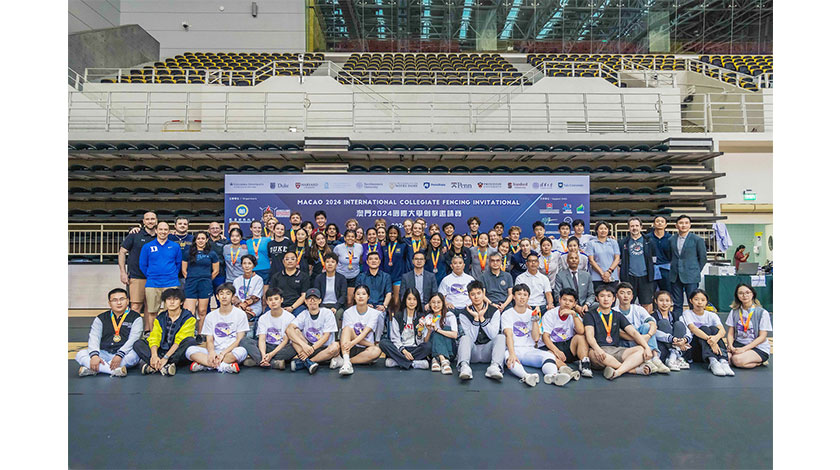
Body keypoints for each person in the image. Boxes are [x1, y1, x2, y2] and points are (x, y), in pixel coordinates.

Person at [501, 284, 572, 387]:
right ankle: (526, 376)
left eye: (525, 295)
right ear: (513, 296)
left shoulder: (532, 313)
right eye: (519, 294)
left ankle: (553, 376)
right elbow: (509, 335)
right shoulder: (507, 314)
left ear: (528, 297)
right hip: (514, 348)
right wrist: (512, 353)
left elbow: (536, 338)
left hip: (530, 350)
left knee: (549, 356)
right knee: (509, 357)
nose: (522, 297)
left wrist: (535, 320)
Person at [583, 285, 655, 380]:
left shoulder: (617, 315)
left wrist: (647, 347)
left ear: (613, 299)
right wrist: (598, 349)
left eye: (609, 296)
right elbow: (590, 336)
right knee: (592, 354)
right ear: (597, 298)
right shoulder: (590, 315)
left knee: (641, 350)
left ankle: (618, 371)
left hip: (616, 350)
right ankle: (631, 370)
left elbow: (633, 333)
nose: (606, 299)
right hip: (599, 350)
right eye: (602, 296)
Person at [76, 288, 143, 377]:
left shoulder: (136, 317)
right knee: (80, 354)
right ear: (109, 303)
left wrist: (120, 355)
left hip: (125, 355)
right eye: (114, 300)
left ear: (127, 301)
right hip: (104, 353)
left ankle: (96, 369)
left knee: (135, 354)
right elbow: (94, 337)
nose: (119, 303)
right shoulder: (101, 318)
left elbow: (133, 339)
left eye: (122, 299)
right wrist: (95, 356)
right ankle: (113, 370)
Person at [185, 282, 249, 374]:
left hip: (231, 351)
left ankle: (206, 365)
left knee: (242, 351)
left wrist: (223, 353)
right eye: (221, 294)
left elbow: (239, 340)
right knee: (190, 351)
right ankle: (224, 366)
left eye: (228, 294)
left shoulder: (240, 314)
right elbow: (209, 339)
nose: (224, 297)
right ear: (217, 297)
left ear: (233, 297)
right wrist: (211, 353)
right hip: (215, 350)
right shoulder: (210, 316)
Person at [132, 288, 198, 376]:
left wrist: (166, 358)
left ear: (181, 302)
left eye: (176, 299)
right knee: (138, 344)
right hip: (161, 351)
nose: (172, 302)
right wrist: (154, 355)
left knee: (190, 341)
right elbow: (155, 337)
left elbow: (179, 340)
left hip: (177, 353)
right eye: (169, 299)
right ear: (165, 301)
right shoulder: (160, 317)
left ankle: (155, 367)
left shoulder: (189, 318)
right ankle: (161, 365)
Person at [614, 282, 670, 374]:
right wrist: (639, 338)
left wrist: (648, 335)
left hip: (644, 340)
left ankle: (655, 358)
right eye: (622, 293)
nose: (625, 296)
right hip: (626, 342)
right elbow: (620, 333)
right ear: (616, 296)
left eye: (628, 293)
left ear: (632, 296)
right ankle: (649, 360)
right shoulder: (614, 311)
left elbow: (653, 324)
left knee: (647, 326)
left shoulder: (638, 309)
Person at [456, 281, 506, 380]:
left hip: (488, 351)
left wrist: (482, 318)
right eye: (473, 294)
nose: (476, 297)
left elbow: (493, 335)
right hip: (472, 352)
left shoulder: (494, 311)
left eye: (479, 293)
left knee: (501, 337)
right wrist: (475, 319)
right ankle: (464, 367)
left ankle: (494, 367)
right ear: (469, 296)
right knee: (464, 338)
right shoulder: (464, 313)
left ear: (483, 293)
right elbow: (471, 338)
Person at [139, 221, 183, 333]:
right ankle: (154, 335)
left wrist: (171, 274)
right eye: (161, 229)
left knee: (171, 311)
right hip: (153, 283)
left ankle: (168, 335)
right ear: (156, 230)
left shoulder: (175, 246)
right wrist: (152, 275)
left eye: (165, 230)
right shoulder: (147, 246)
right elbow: (143, 264)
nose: (163, 232)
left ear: (169, 231)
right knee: (152, 311)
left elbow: (178, 263)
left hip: (171, 283)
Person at [681, 289, 734, 376]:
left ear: (706, 302)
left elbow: (722, 331)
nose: (699, 302)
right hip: (695, 348)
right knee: (704, 328)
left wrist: (714, 339)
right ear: (691, 301)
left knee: (714, 329)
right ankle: (713, 361)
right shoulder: (687, 313)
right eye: (696, 299)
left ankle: (723, 361)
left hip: (710, 347)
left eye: (703, 300)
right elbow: (693, 329)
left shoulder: (712, 315)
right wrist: (712, 342)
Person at [241, 287, 297, 370]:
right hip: (267, 346)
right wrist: (263, 354)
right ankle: (272, 362)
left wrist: (271, 354)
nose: (273, 302)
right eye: (270, 300)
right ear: (267, 302)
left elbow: (285, 341)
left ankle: (257, 361)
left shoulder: (289, 317)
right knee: (244, 341)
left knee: (294, 347)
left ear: (281, 300)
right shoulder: (263, 318)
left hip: (281, 348)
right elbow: (262, 339)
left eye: (276, 299)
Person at [287, 288, 341, 372]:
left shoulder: (327, 313)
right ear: (305, 301)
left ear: (320, 301)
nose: (312, 301)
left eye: (315, 298)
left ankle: (307, 362)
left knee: (335, 346)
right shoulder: (303, 314)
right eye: (309, 298)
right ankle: (307, 362)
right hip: (307, 346)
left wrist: (312, 348)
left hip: (323, 348)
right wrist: (304, 345)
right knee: (295, 332)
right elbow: (289, 329)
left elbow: (326, 336)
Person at [539, 288, 589, 378]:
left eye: (570, 301)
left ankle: (585, 365)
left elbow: (581, 331)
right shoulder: (550, 314)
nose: (567, 303)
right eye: (564, 299)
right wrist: (556, 351)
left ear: (574, 304)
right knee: (549, 355)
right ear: (559, 300)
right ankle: (568, 371)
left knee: (580, 337)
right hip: (552, 345)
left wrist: (574, 315)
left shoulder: (574, 315)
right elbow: (545, 337)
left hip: (566, 345)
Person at [335, 285, 383, 375]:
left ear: (368, 297)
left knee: (377, 351)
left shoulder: (375, 313)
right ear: (354, 297)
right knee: (347, 329)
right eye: (358, 294)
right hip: (350, 348)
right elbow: (347, 334)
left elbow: (365, 333)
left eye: (364, 294)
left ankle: (345, 362)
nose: (361, 296)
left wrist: (369, 345)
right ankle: (346, 362)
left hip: (365, 349)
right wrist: (352, 344)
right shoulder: (348, 312)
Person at [380, 288, 432, 370]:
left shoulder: (421, 317)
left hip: (414, 348)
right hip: (400, 348)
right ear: (405, 300)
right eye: (409, 299)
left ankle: (397, 362)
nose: (412, 302)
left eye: (414, 299)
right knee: (383, 343)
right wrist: (403, 351)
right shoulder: (398, 316)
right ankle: (413, 363)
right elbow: (395, 338)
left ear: (418, 301)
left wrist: (419, 333)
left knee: (428, 346)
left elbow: (420, 342)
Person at [118, 211, 157, 316]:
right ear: (143, 221)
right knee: (135, 306)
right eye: (147, 219)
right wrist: (123, 272)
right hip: (137, 276)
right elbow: (122, 252)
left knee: (151, 307)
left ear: (156, 221)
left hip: (154, 277)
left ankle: (149, 327)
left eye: (152, 219)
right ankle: (134, 327)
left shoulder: (161, 236)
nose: (150, 221)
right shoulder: (135, 234)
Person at [181, 231, 220, 333]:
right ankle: (188, 334)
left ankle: (201, 333)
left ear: (207, 240)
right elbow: (184, 270)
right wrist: (191, 279)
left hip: (205, 284)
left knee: (202, 311)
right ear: (195, 240)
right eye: (198, 238)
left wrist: (207, 279)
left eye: (203, 238)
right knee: (189, 312)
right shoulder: (188, 253)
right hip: (191, 284)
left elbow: (216, 271)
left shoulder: (212, 254)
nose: (200, 241)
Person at [725, 283, 772, 369]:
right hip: (739, 344)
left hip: (757, 347)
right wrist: (730, 346)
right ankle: (745, 358)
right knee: (726, 358)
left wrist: (744, 349)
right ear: (737, 295)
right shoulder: (734, 311)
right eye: (741, 293)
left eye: (747, 292)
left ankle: (759, 362)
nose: (744, 295)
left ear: (752, 294)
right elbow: (730, 333)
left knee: (736, 360)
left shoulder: (762, 313)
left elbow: (762, 337)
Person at [669, 215, 707, 309]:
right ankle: (677, 318)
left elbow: (703, 258)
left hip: (691, 275)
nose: (684, 225)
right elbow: (670, 256)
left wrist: (695, 270)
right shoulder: (671, 239)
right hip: (675, 275)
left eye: (686, 223)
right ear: (676, 225)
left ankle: (693, 318)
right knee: (677, 303)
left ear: (690, 225)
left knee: (693, 302)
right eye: (681, 223)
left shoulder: (697, 239)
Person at [619, 217, 657, 312]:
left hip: (646, 277)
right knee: (627, 302)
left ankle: (646, 320)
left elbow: (654, 258)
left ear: (641, 227)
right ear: (629, 228)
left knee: (646, 303)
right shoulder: (623, 242)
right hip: (629, 277)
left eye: (636, 225)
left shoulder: (649, 241)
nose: (634, 228)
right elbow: (620, 260)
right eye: (632, 226)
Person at [650, 290, 691, 371]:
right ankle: (674, 357)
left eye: (667, 301)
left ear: (671, 302)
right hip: (662, 344)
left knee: (679, 324)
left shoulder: (676, 315)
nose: (664, 303)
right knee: (663, 323)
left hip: (678, 345)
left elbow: (686, 329)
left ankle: (672, 357)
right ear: (656, 301)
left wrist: (684, 340)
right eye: (661, 300)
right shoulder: (652, 317)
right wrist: (672, 339)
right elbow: (654, 332)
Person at [355, 251, 392, 341]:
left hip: (380, 307)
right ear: (367, 262)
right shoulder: (361, 276)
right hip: (365, 307)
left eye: (376, 259)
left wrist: (384, 306)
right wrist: (365, 305)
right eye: (371, 259)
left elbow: (388, 293)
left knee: (379, 315)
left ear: (379, 261)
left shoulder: (386, 276)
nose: (373, 261)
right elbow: (357, 294)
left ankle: (377, 341)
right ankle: (364, 341)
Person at [420, 293, 458, 374]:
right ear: (429, 304)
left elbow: (455, 335)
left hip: (450, 351)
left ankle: (436, 359)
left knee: (445, 329)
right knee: (433, 333)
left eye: (439, 302)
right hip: (433, 351)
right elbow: (425, 342)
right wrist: (429, 330)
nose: (436, 305)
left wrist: (437, 330)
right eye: (433, 302)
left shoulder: (449, 316)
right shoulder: (428, 317)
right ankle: (443, 360)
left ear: (443, 303)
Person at [313, 252, 347, 337]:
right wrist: (321, 306)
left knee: (338, 314)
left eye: (333, 262)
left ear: (336, 264)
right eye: (327, 262)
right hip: (322, 305)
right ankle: (320, 337)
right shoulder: (319, 278)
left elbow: (343, 296)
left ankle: (335, 338)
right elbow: (316, 294)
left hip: (337, 305)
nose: (330, 264)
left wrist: (335, 307)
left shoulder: (341, 278)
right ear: (324, 264)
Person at [553, 251, 595, 316]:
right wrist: (575, 306)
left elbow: (591, 294)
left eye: (576, 258)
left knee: (597, 305)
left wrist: (586, 304)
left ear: (579, 260)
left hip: (584, 305)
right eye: (571, 258)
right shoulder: (560, 275)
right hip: (567, 304)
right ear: (567, 261)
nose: (574, 260)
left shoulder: (586, 275)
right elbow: (557, 295)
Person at [269, 251, 310, 316]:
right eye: (287, 259)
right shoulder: (276, 276)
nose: (290, 261)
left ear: (297, 261)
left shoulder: (304, 276)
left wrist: (292, 307)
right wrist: (279, 307)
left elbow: (304, 296)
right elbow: (271, 294)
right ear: (283, 261)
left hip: (297, 306)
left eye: (292, 259)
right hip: (279, 305)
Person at [587, 221, 620, 292]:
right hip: (597, 278)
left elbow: (617, 258)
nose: (603, 230)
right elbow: (591, 260)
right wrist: (602, 274)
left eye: (605, 228)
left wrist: (609, 272)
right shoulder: (591, 243)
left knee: (612, 297)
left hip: (612, 277)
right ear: (597, 230)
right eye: (601, 228)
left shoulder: (613, 242)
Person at [231, 255, 264, 326]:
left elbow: (255, 298)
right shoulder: (237, 280)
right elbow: (234, 297)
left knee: (242, 316)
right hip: (239, 306)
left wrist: (245, 305)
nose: (246, 266)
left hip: (254, 307)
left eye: (249, 263)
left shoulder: (258, 279)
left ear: (254, 265)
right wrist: (241, 306)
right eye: (244, 263)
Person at [382, 225, 408, 310]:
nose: (392, 235)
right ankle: (389, 318)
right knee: (388, 301)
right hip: (387, 276)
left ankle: (396, 318)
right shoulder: (384, 245)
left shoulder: (403, 245)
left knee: (397, 302)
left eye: (394, 233)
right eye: (390, 233)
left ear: (398, 234)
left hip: (398, 276)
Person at [334, 229, 363, 305]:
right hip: (341, 276)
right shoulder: (338, 248)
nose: (350, 238)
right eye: (348, 236)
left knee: (350, 301)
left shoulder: (359, 247)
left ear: (355, 238)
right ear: (344, 238)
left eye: (352, 236)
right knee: (340, 299)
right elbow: (334, 260)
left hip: (354, 276)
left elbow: (360, 259)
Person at [648, 216, 672, 295]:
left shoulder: (671, 238)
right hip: (651, 269)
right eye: (657, 221)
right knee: (650, 294)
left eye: (662, 221)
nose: (660, 223)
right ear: (654, 224)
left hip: (666, 269)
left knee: (667, 293)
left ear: (666, 224)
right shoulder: (647, 238)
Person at [246, 220, 272, 284]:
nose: (257, 230)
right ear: (251, 229)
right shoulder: (247, 242)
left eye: (259, 228)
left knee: (265, 289)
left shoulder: (268, 240)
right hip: (252, 269)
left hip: (265, 269)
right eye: (255, 228)